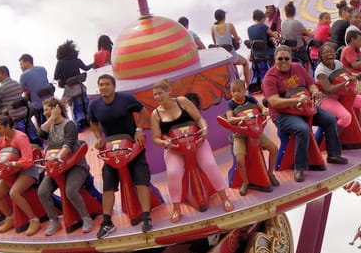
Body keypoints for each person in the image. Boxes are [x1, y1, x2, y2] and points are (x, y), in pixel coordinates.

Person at [150, 79, 232, 223]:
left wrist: (205, 129)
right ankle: (176, 209)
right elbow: (156, 138)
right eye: (155, 95)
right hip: (174, 148)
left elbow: (199, 118)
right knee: (173, 173)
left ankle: (224, 198)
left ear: (168, 92)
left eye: (160, 93)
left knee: (210, 165)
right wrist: (166, 142)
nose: (157, 97)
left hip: (197, 141)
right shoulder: (155, 114)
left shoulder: (182, 101)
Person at [262, 45, 348, 183]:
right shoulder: (269, 78)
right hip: (283, 114)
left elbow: (311, 84)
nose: (283, 61)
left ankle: (333, 154)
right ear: (274, 60)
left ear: (291, 59)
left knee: (330, 119)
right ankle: (299, 167)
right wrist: (296, 100)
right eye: (280, 59)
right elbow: (274, 101)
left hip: (305, 107)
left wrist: (314, 92)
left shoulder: (297, 68)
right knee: (303, 129)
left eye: (286, 58)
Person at [88, 73, 152, 238]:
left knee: (141, 181)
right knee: (108, 186)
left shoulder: (126, 99)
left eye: (107, 84)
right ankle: (107, 222)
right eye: (101, 84)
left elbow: (143, 112)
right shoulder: (94, 105)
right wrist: (98, 138)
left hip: (131, 147)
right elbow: (93, 123)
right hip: (111, 151)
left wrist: (139, 129)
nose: (103, 87)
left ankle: (146, 216)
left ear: (114, 87)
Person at [36, 97, 94, 235]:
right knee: (42, 192)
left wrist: (58, 157)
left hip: (75, 165)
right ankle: (53, 220)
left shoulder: (69, 125)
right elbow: (40, 134)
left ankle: (86, 217)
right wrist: (51, 119)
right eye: (44, 110)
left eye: (47, 110)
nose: (44, 113)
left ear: (57, 108)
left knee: (70, 190)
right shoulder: (49, 126)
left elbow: (68, 145)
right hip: (56, 167)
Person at [0, 114, 42, 236]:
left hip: (26, 171)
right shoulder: (1, 139)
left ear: (7, 126)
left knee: (14, 193)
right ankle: (10, 218)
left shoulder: (20, 137)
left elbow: (27, 161)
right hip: (11, 171)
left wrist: (12, 163)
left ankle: (34, 220)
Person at [225, 79, 279, 194]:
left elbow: (262, 108)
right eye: (233, 91)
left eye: (238, 91)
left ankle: (270, 174)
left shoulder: (251, 99)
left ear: (244, 91)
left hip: (255, 131)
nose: (235, 94)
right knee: (240, 159)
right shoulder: (230, 104)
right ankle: (245, 182)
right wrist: (240, 119)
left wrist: (265, 110)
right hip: (240, 134)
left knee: (274, 149)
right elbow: (230, 119)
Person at [314, 42, 361, 138]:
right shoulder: (321, 71)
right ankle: (332, 140)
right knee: (345, 117)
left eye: (331, 52)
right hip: (326, 99)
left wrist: (357, 76)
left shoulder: (337, 63)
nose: (329, 54)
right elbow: (329, 89)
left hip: (342, 95)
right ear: (321, 56)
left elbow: (349, 73)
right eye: (325, 53)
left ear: (335, 53)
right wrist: (344, 84)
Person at [54, 40, 92, 126]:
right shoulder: (77, 60)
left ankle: (79, 122)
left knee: (69, 107)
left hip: (69, 90)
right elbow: (86, 68)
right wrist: (94, 63)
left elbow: (56, 77)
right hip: (80, 87)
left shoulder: (60, 63)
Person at [210, 9, 250, 83]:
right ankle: (248, 85)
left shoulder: (213, 28)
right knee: (245, 63)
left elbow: (216, 43)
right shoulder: (230, 25)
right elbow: (237, 39)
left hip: (221, 57)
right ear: (224, 17)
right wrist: (238, 39)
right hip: (231, 55)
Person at [18, 54, 53, 124]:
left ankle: (33, 133)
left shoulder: (24, 75)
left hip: (37, 104)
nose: (20, 67)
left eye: (21, 64)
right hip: (50, 100)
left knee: (23, 117)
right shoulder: (42, 69)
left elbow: (20, 91)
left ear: (27, 62)